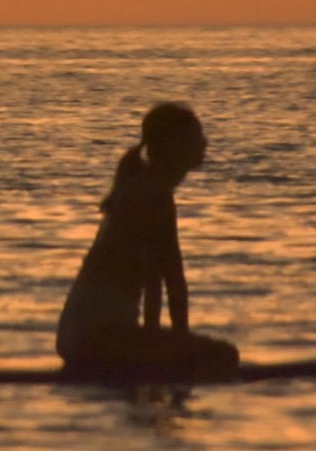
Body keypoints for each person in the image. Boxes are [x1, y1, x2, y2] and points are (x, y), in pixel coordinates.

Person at [56, 102, 239, 381]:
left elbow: (155, 280)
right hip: (97, 339)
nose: (205, 142)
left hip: (79, 336)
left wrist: (165, 345)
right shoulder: (153, 195)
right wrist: (182, 351)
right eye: (196, 136)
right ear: (171, 145)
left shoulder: (143, 186)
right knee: (225, 355)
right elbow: (175, 281)